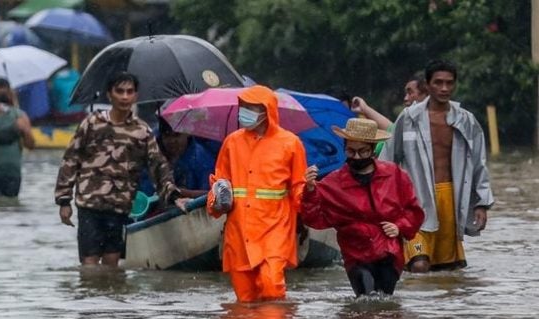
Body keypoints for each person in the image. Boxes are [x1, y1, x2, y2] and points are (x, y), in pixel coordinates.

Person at [54, 72, 190, 267]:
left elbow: (158, 166)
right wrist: (63, 200)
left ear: (135, 95)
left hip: (120, 207)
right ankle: (90, 298)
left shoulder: (141, 131)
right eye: (120, 91)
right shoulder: (91, 124)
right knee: (89, 265)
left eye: (130, 92)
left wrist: (174, 196)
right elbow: (70, 160)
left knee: (112, 265)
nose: (125, 97)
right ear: (110, 95)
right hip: (89, 205)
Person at [380, 59, 494, 273]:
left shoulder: (466, 121)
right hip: (414, 201)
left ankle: (441, 307)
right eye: (438, 82)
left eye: (449, 83)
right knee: (419, 264)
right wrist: (384, 202)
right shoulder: (409, 118)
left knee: (447, 270)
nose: (444, 88)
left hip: (451, 198)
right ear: (427, 85)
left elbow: (478, 163)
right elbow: (387, 161)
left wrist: (481, 204)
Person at [301, 118, 424, 297]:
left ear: (373, 150)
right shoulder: (332, 183)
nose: (356, 157)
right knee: (365, 300)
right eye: (351, 151)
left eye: (362, 151)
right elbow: (314, 219)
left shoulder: (394, 175)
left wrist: (400, 226)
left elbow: (414, 211)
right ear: (344, 149)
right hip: (355, 255)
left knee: (384, 300)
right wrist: (310, 190)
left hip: (389, 252)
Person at [207, 85, 307, 303]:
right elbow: (219, 182)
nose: (244, 112)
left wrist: (310, 199)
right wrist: (215, 204)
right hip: (239, 230)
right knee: (244, 299)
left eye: (250, 107)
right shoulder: (232, 142)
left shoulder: (291, 143)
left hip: (274, 229)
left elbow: (298, 187)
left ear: (266, 110)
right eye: (242, 106)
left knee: (272, 287)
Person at [139, 118, 216, 199]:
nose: (172, 141)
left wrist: (181, 193)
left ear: (187, 133)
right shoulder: (152, 156)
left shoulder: (202, 159)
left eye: (177, 135)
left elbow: (211, 194)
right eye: (167, 135)